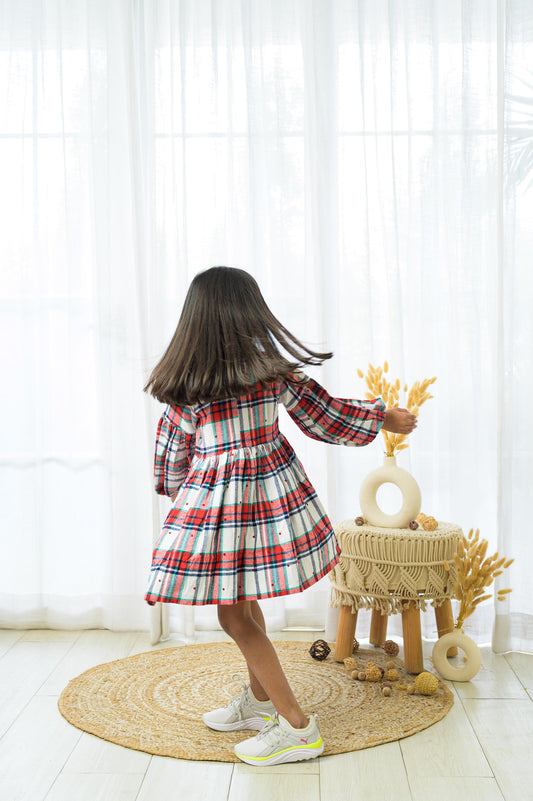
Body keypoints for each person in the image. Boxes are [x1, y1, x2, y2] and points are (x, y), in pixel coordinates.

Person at [143, 266, 417, 766]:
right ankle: (259, 700)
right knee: (241, 604)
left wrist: (178, 492)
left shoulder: (191, 382)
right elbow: (323, 415)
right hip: (269, 495)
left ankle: (297, 726)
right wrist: (381, 417)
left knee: (233, 614)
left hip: (224, 501)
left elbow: (171, 452)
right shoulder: (267, 370)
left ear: (194, 319)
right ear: (250, 312)